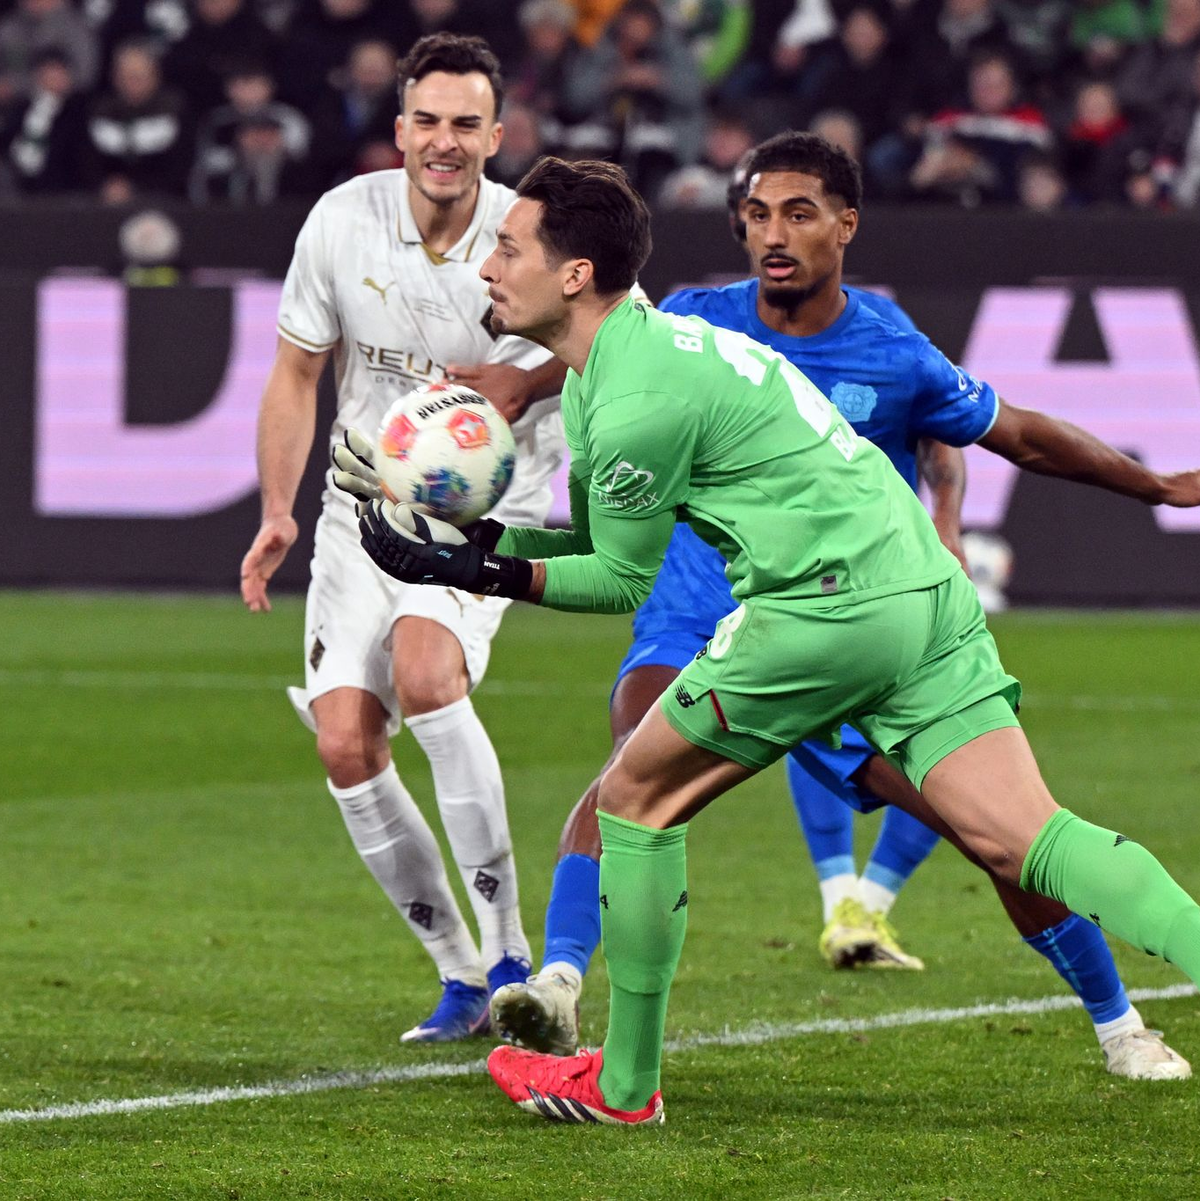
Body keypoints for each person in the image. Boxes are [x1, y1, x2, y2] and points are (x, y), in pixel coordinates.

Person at [350, 152, 1200, 1125]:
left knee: (632, 800)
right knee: (1030, 836)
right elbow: (594, 542)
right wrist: (476, 542)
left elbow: (621, 579)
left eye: (508, 247)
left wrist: (473, 570)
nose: (489, 266)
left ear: (575, 273)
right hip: (922, 591)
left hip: (820, 610)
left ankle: (622, 1088)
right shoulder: (636, 359)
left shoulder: (631, 400)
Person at [238, 33, 565, 1043]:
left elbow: (620, 328)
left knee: (426, 672)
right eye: (427, 121)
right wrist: (279, 508)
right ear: (400, 129)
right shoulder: (344, 219)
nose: (444, 141)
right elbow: (298, 369)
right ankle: (459, 975)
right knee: (344, 741)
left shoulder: (535, 229)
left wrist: (525, 381)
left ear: (497, 136)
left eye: (467, 124)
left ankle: (510, 956)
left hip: (485, 508)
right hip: (362, 503)